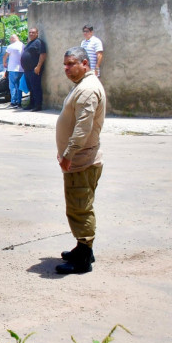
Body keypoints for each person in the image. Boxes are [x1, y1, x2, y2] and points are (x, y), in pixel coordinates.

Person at [53, 47, 105, 275]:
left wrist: (68, 153)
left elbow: (83, 126)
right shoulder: (82, 86)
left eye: (71, 64)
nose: (66, 69)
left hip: (82, 160)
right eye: (64, 64)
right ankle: (83, 248)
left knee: (80, 207)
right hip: (79, 158)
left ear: (84, 63)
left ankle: (83, 259)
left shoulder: (87, 90)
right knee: (77, 205)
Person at [21, 28, 47, 111]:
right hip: (27, 70)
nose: (31, 34)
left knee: (36, 87)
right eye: (30, 32)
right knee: (31, 88)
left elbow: (43, 54)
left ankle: (38, 105)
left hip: (34, 69)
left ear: (37, 33)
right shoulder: (30, 43)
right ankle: (31, 104)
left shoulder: (39, 42)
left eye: (33, 32)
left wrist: (38, 66)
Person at [4, 33, 25, 107]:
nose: (10, 40)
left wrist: (4, 63)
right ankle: (19, 102)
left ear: (13, 39)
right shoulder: (23, 45)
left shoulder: (11, 46)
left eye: (10, 39)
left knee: (12, 86)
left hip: (12, 69)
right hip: (21, 69)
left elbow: (5, 56)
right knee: (19, 86)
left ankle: (13, 101)